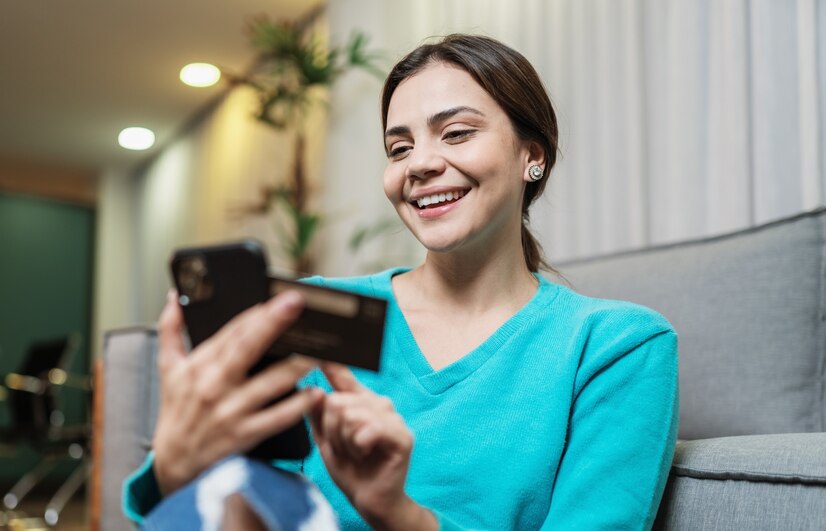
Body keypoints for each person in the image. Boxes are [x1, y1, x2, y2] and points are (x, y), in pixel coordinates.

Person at [123, 34, 678, 530]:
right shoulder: (309, 311)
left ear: (532, 155)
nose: (419, 164)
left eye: (456, 134)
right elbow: (238, 513)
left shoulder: (616, 347)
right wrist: (180, 470)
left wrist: (400, 516)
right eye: (399, 147)